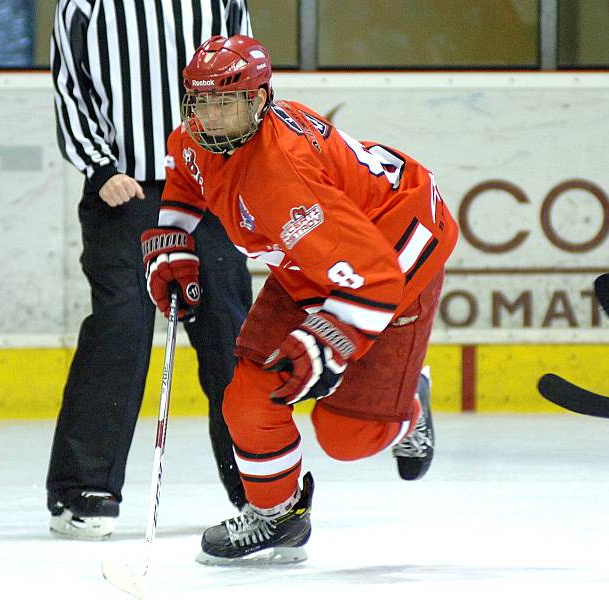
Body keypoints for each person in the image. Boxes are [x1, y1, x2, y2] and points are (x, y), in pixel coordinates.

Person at [141, 34, 459, 563]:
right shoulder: (198, 137)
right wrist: (174, 238)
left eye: (226, 103)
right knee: (248, 396)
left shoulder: (281, 178)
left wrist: (325, 341)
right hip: (311, 257)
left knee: (346, 437)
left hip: (397, 254)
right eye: (200, 102)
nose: (211, 117)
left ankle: (409, 404)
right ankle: (279, 517)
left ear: (259, 99)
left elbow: (374, 277)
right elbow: (186, 177)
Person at [46, 1, 254, 540]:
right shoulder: (85, 3)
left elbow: (246, 78)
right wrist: (99, 165)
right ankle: (83, 489)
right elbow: (71, 85)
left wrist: (237, 163)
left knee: (232, 335)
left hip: (210, 186)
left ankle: (261, 489)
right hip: (125, 188)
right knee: (122, 328)